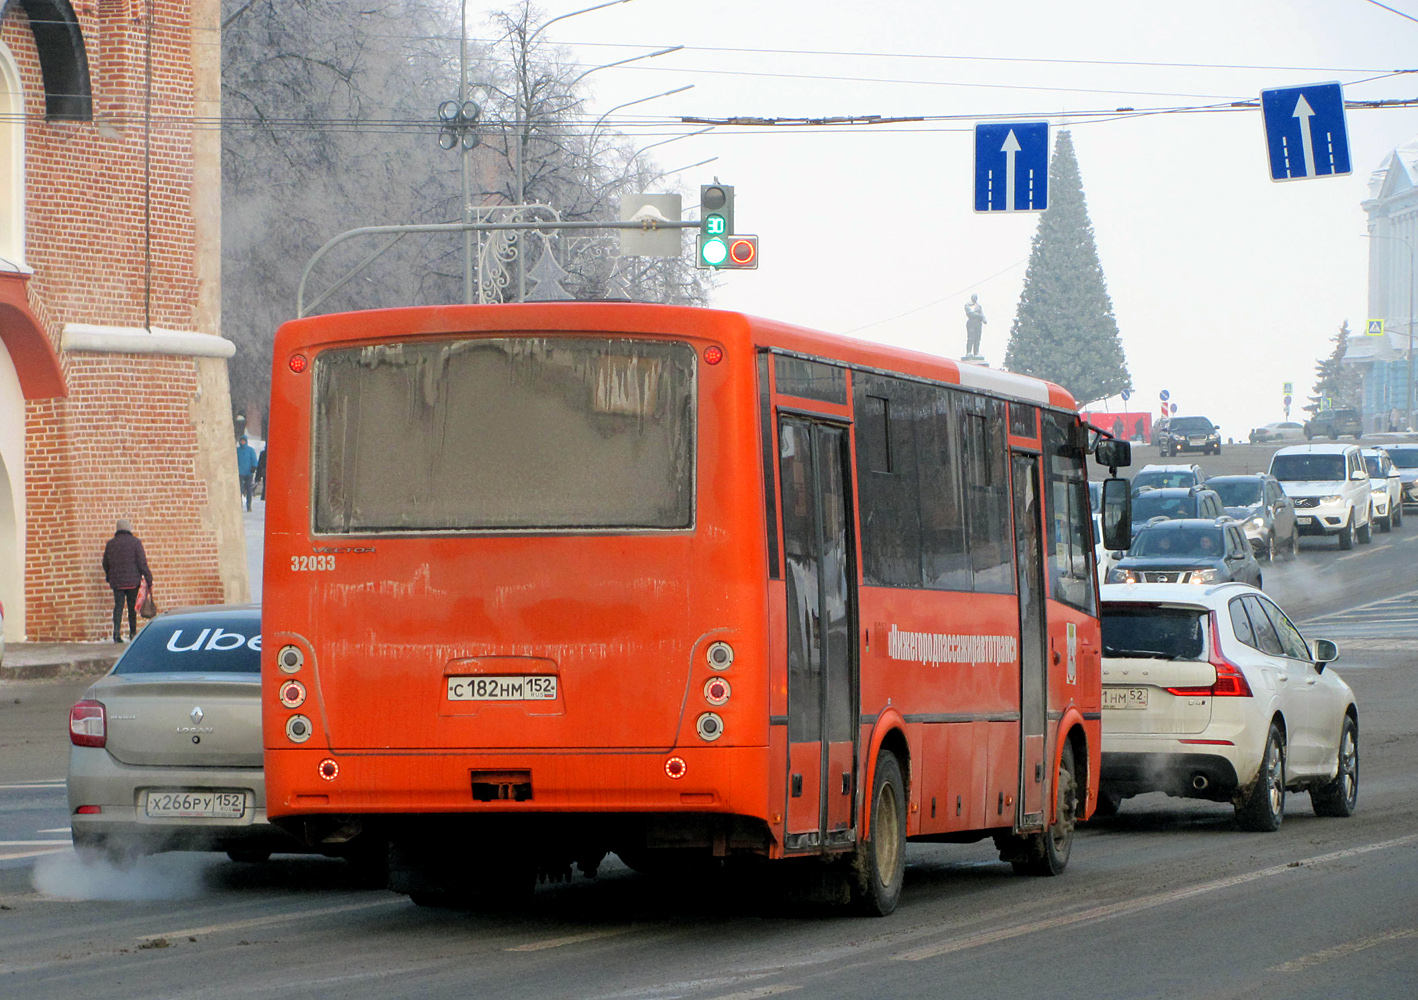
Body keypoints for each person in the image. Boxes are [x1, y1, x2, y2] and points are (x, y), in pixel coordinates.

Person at [103, 519, 152, 642]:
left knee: (118, 606)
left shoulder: (110, 544)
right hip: (133, 582)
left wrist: (109, 576)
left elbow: (105, 563)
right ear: (129, 529)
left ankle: (116, 634)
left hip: (117, 582)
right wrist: (148, 578)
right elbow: (142, 563)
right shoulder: (135, 543)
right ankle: (132, 633)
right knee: (132, 608)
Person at [236, 434, 258, 511]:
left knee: (249, 489)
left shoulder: (250, 450)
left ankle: (249, 505)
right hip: (240, 472)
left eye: (244, 441)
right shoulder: (237, 450)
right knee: (240, 490)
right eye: (241, 441)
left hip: (249, 473)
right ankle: (240, 505)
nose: (242, 442)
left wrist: (254, 467)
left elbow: (254, 460)